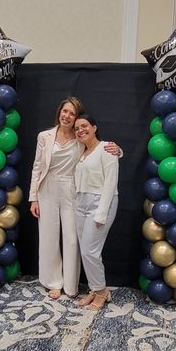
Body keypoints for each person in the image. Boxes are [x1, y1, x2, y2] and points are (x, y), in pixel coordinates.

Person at [29, 97, 120, 299]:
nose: (67, 116)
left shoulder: (81, 138)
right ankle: (53, 282)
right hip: (47, 189)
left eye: (72, 113)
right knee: (48, 238)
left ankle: (71, 286)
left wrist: (118, 151)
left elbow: (100, 151)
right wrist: (33, 197)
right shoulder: (44, 136)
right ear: (59, 112)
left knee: (72, 240)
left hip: (73, 190)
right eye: (64, 111)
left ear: (77, 117)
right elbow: (37, 167)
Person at [73, 114, 119, 311]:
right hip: (80, 203)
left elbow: (110, 183)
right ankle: (94, 289)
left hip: (101, 202)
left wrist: (101, 213)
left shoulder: (107, 148)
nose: (80, 130)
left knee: (89, 251)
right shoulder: (81, 152)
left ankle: (101, 292)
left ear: (94, 127)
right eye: (77, 128)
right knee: (86, 251)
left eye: (84, 126)